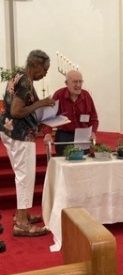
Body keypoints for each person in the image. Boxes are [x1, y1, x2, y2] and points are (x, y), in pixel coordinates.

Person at [0, 49, 55, 236]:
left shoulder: (19, 76)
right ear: (35, 65)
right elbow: (16, 111)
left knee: (21, 176)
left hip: (11, 131)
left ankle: (21, 214)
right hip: (19, 135)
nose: (45, 73)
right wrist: (40, 104)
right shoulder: (25, 81)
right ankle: (22, 224)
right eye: (44, 69)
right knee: (25, 178)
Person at [45, 70, 99, 156]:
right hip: (64, 136)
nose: (78, 85)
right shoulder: (59, 95)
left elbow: (94, 119)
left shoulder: (86, 96)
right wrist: (48, 133)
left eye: (80, 81)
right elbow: (49, 118)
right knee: (64, 161)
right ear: (66, 83)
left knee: (83, 162)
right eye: (75, 82)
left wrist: (93, 132)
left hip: (83, 135)